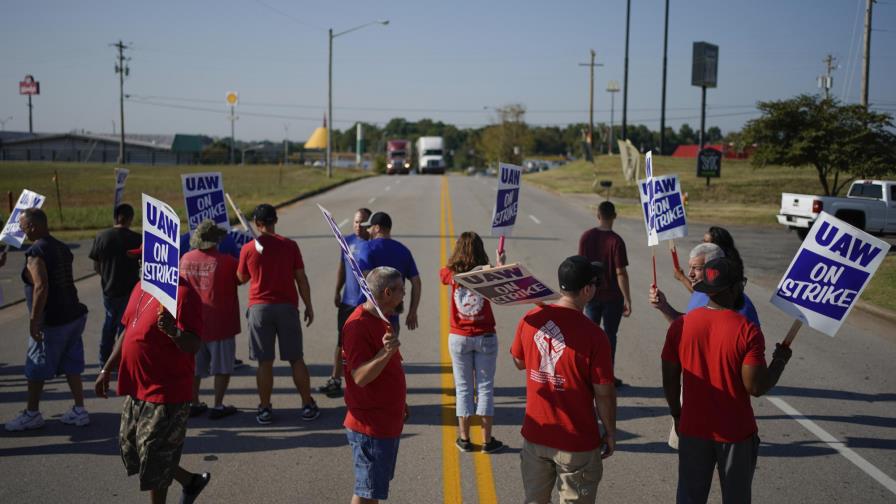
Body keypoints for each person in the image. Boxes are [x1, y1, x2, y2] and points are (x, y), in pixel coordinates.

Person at [661, 258, 792, 504]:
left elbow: (669, 379)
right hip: (736, 433)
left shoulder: (681, 325)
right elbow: (756, 387)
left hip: (692, 428)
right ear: (733, 288)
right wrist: (780, 361)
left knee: (689, 497)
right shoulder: (748, 331)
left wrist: (677, 415)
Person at [510, 255, 617, 504]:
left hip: (536, 435)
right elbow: (603, 392)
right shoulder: (594, 335)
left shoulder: (531, 318)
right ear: (587, 290)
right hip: (576, 441)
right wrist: (610, 431)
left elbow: (518, 362)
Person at [95, 280, 212, 504]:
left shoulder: (184, 294)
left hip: (166, 392)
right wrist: (107, 368)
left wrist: (173, 331)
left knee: (154, 456)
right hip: (136, 387)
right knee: (136, 451)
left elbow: (193, 344)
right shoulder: (140, 286)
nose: (141, 263)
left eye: (143, 257)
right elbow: (128, 329)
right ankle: (190, 482)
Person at [5, 208, 90, 431]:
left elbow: (41, 287)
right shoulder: (61, 247)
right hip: (73, 314)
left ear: (33, 226)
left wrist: (34, 321)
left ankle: (32, 413)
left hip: (53, 320)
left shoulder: (36, 252)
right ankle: (80, 410)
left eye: (23, 228)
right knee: (72, 364)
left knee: (35, 367)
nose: (22, 232)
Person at [237, 203, 318, 424]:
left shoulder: (248, 249)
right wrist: (308, 305)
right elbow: (301, 279)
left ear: (257, 223)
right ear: (275, 221)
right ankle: (307, 404)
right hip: (287, 308)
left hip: (259, 309)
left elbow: (241, 278)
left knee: (264, 362)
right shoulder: (290, 246)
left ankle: (264, 408)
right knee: (296, 358)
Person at [342, 266, 408, 504]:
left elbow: (389, 368)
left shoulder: (382, 317)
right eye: (402, 289)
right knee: (366, 492)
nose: (405, 294)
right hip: (370, 427)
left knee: (372, 491)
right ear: (388, 292)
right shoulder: (358, 325)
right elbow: (359, 376)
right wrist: (385, 352)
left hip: (386, 420)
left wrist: (401, 402)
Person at [440, 232, 506, 454]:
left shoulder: (452, 274)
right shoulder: (487, 273)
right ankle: (487, 441)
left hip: (459, 337)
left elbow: (443, 274)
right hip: (485, 336)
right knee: (485, 388)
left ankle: (465, 438)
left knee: (464, 388)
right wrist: (499, 263)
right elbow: (502, 281)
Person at [181, 220, 241, 419]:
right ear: (216, 240)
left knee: (194, 368)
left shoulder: (185, 260)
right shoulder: (228, 262)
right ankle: (217, 405)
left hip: (192, 323)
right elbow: (243, 278)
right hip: (221, 322)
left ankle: (194, 401)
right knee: (222, 367)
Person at [578, 201, 631, 387]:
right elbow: (620, 273)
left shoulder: (586, 237)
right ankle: (607, 375)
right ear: (614, 216)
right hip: (613, 298)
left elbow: (581, 267)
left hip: (590, 296)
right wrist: (628, 299)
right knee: (610, 337)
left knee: (589, 336)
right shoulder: (616, 241)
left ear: (598, 215)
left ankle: (586, 373)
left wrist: (580, 296)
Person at [319, 207, 371, 398]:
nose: (358, 226)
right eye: (356, 221)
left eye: (363, 222)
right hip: (348, 302)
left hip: (366, 305)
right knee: (341, 342)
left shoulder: (374, 244)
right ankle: (335, 379)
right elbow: (342, 267)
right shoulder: (347, 241)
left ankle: (364, 382)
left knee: (365, 345)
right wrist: (336, 291)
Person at [650, 243, 760, 326]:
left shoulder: (740, 307)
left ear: (716, 268)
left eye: (697, 268)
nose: (690, 274)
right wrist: (664, 306)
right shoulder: (700, 292)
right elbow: (689, 324)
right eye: (690, 267)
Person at [90, 203, 142, 366]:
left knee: (108, 325)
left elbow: (96, 265)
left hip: (108, 289)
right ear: (130, 218)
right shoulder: (136, 238)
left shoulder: (101, 236)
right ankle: (120, 359)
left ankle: (104, 360)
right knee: (124, 327)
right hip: (130, 290)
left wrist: (106, 275)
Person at [356, 211, 421, 336]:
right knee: (389, 354)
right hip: (392, 319)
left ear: (377, 228)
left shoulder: (367, 248)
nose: (368, 231)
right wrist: (413, 312)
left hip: (367, 316)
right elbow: (416, 282)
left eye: (369, 227)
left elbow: (365, 277)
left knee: (364, 355)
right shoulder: (403, 250)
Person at [672, 226, 744, 294]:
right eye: (703, 241)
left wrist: (682, 278)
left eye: (706, 242)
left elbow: (702, 293)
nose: (702, 245)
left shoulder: (719, 266)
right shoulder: (729, 260)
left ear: (717, 244)